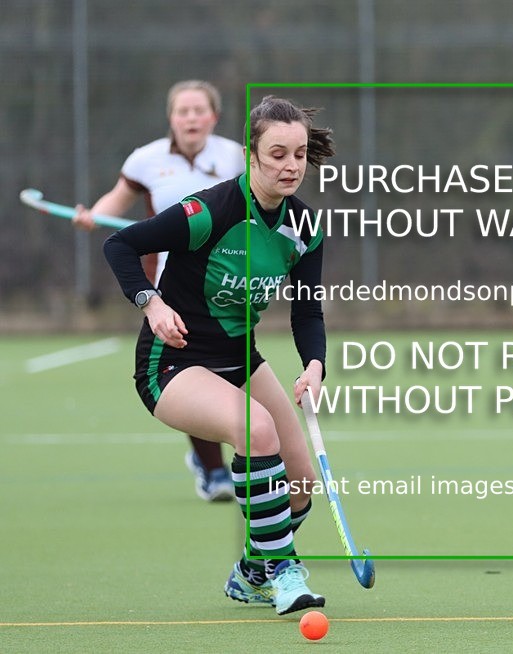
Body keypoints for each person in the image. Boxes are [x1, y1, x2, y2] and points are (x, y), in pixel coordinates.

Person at [103, 95, 335, 615]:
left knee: (300, 486)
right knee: (254, 430)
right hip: (173, 363)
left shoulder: (304, 229)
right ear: (252, 153)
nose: (290, 165)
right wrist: (151, 301)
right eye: (277, 153)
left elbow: (308, 313)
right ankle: (283, 572)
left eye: (298, 154)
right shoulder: (208, 210)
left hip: (241, 358)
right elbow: (118, 244)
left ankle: (250, 574)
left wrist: (314, 367)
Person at [74, 80, 245, 502]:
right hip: (167, 288)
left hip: (223, 283)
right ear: (171, 118)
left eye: (198, 111)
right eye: (182, 111)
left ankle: (226, 456)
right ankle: (212, 468)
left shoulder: (236, 156)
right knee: (186, 369)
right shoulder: (146, 160)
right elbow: (117, 201)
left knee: (229, 370)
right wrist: (92, 216)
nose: (190, 118)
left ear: (213, 117)